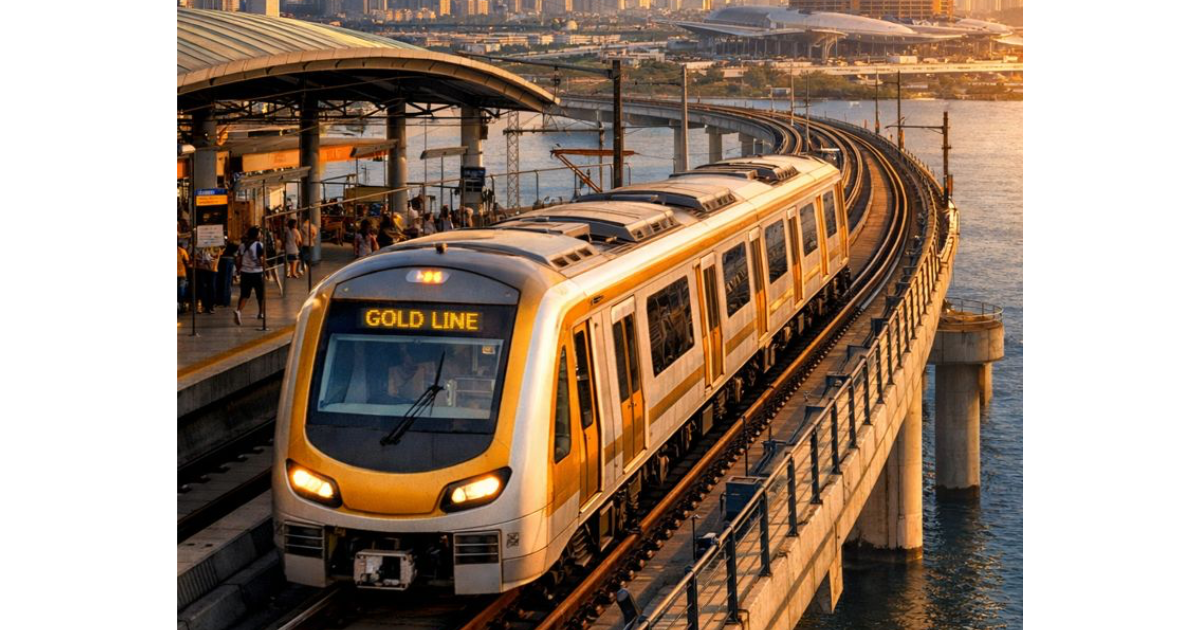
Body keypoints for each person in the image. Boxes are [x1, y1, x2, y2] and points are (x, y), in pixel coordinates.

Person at [234, 227, 266, 326]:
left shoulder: (242, 245)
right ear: (256, 235)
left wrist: (239, 269)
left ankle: (239, 311)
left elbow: (238, 259)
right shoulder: (259, 245)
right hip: (256, 273)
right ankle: (261, 313)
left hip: (245, 272)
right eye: (259, 233)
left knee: (244, 294)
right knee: (260, 294)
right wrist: (264, 265)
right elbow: (261, 260)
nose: (260, 234)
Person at [193, 246, 218, 314]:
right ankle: (202, 306)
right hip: (201, 269)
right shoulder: (197, 245)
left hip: (212, 269)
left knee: (211, 287)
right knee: (201, 287)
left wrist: (209, 261)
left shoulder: (214, 245)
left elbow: (216, 255)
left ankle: (210, 306)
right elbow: (193, 255)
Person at [177, 241, 190, 314]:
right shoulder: (182, 251)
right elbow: (187, 262)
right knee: (182, 290)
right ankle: (181, 306)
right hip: (182, 274)